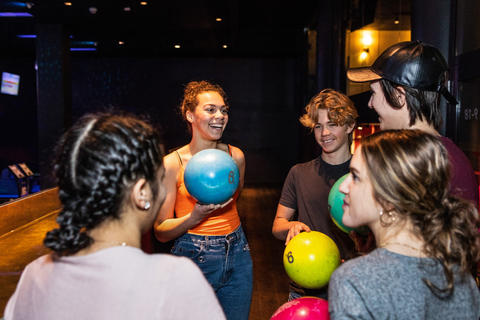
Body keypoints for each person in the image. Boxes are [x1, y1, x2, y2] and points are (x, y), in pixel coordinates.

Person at [4, 113, 226, 320]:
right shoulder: (175, 278)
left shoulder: (35, 275)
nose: (162, 193)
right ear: (141, 193)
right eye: (159, 180)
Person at [328, 129, 480, 319]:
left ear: (389, 198)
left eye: (355, 176)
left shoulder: (354, 281)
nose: (343, 187)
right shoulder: (461, 277)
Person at [154, 81, 252, 320]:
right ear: (190, 115)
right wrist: (194, 217)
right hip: (193, 257)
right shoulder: (171, 164)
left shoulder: (235, 157)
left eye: (223, 110)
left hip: (238, 252)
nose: (220, 116)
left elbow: (232, 200)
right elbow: (161, 232)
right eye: (210, 109)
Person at [347, 40, 478, 206]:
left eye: (373, 94)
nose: (370, 103)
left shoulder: (429, 164)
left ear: (399, 96)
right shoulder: (443, 157)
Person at [272, 88, 359, 301]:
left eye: (332, 124)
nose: (324, 133)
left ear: (350, 126)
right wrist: (291, 226)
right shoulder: (298, 173)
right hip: (304, 289)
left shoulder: (366, 174)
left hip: (352, 286)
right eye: (318, 126)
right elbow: (277, 225)